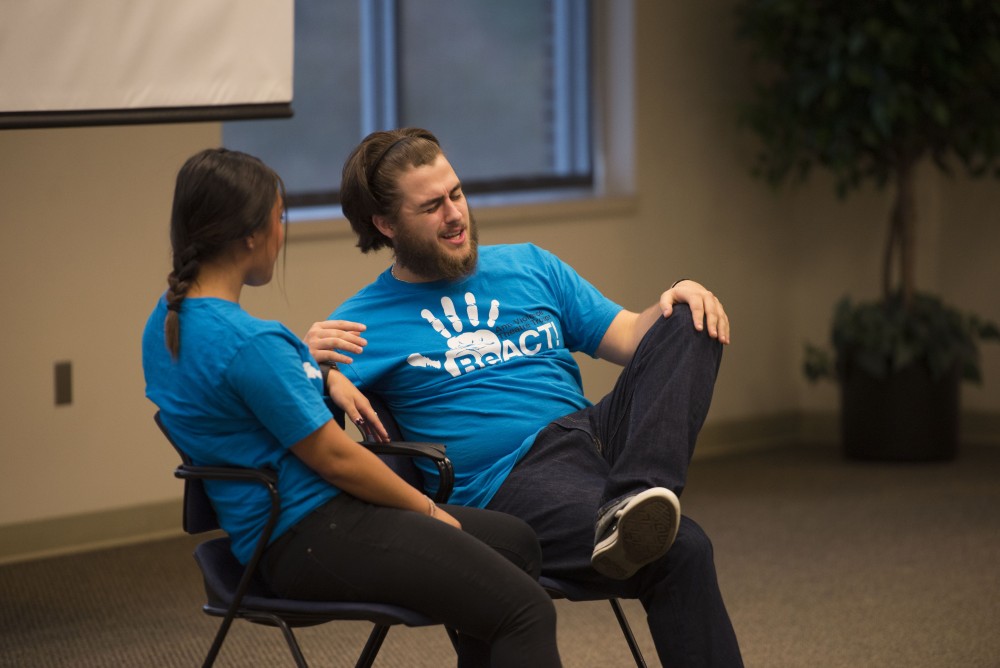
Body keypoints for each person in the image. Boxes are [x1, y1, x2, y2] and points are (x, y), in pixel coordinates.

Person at [306, 128, 744, 666]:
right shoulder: (362, 322)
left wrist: (679, 296)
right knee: (683, 550)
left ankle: (635, 497)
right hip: (508, 480)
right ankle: (627, 513)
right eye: (432, 206)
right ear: (386, 224)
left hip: (594, 436)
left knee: (690, 320)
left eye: (457, 194)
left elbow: (631, 336)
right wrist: (317, 369)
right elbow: (303, 429)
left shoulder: (530, 265)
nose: (454, 215)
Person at [142, 147, 562, 668]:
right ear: (250, 234)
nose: (281, 234)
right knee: (527, 611)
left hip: (278, 531)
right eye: (279, 219)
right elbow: (337, 459)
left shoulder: (168, 322)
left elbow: (250, 391)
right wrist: (427, 510)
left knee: (515, 542)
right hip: (311, 534)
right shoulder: (252, 345)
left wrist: (317, 370)